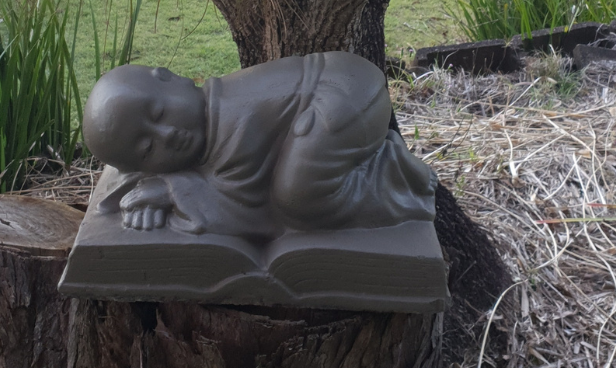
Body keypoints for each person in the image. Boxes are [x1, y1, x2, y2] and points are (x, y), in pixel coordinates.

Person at [83, 52, 436, 240]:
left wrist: (169, 191)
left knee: (298, 199)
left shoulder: (231, 114)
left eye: (159, 112)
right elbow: (226, 188)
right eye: (147, 148)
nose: (167, 134)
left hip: (347, 92)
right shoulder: (209, 139)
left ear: (173, 79)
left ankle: (392, 175)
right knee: (298, 183)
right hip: (342, 90)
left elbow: (248, 204)